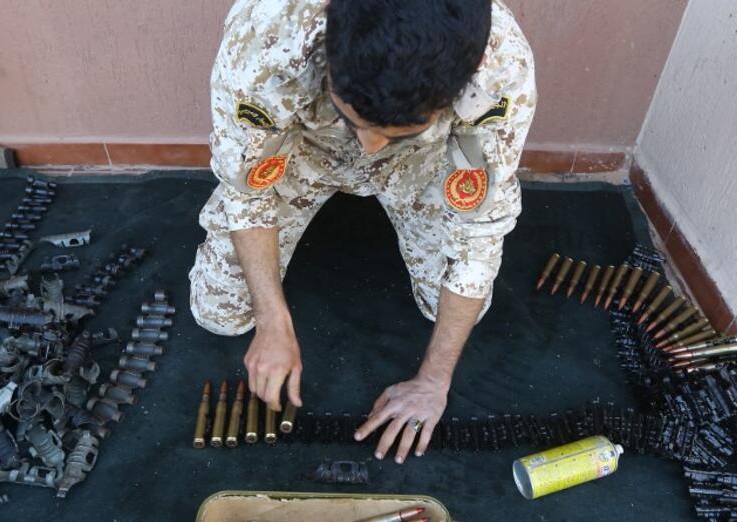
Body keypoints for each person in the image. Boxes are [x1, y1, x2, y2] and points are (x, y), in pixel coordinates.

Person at [189, 0, 536, 463]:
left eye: (394, 130)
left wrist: (434, 381)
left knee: (454, 309)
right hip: (300, 153)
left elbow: (479, 233)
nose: (371, 146)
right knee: (219, 313)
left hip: (420, 165)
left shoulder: (500, 65)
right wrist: (273, 320)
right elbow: (248, 190)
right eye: (356, 119)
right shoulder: (269, 33)